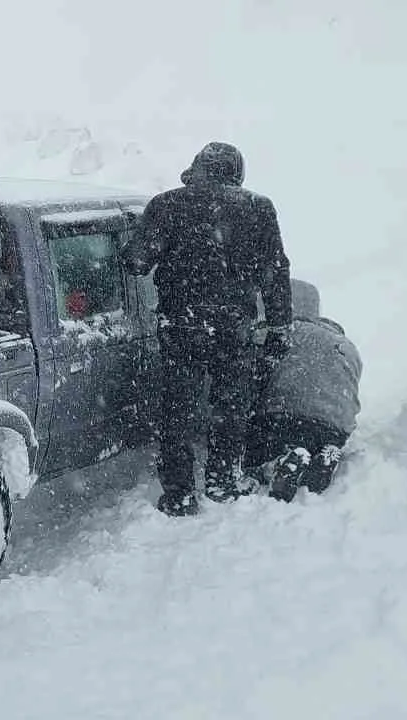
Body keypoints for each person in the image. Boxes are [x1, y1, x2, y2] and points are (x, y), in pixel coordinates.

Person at [128, 142, 293, 517]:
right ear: (236, 173)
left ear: (198, 167)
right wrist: (280, 325)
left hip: (181, 325)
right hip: (233, 327)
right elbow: (275, 272)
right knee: (230, 408)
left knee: (177, 411)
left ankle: (180, 494)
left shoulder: (167, 204)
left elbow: (137, 261)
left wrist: (140, 242)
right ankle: (221, 482)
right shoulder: (258, 208)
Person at [246, 281, 363, 501]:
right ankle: (326, 453)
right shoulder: (347, 347)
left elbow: (254, 385)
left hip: (284, 419)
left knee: (256, 451)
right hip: (333, 426)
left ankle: (278, 463)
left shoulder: (276, 336)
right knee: (314, 436)